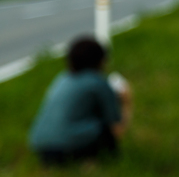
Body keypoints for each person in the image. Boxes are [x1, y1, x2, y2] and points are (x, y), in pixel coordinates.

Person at [29, 36, 132, 164]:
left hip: (40, 146)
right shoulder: (98, 83)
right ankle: (91, 162)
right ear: (101, 61)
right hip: (67, 150)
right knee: (104, 130)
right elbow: (116, 129)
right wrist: (126, 101)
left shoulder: (62, 78)